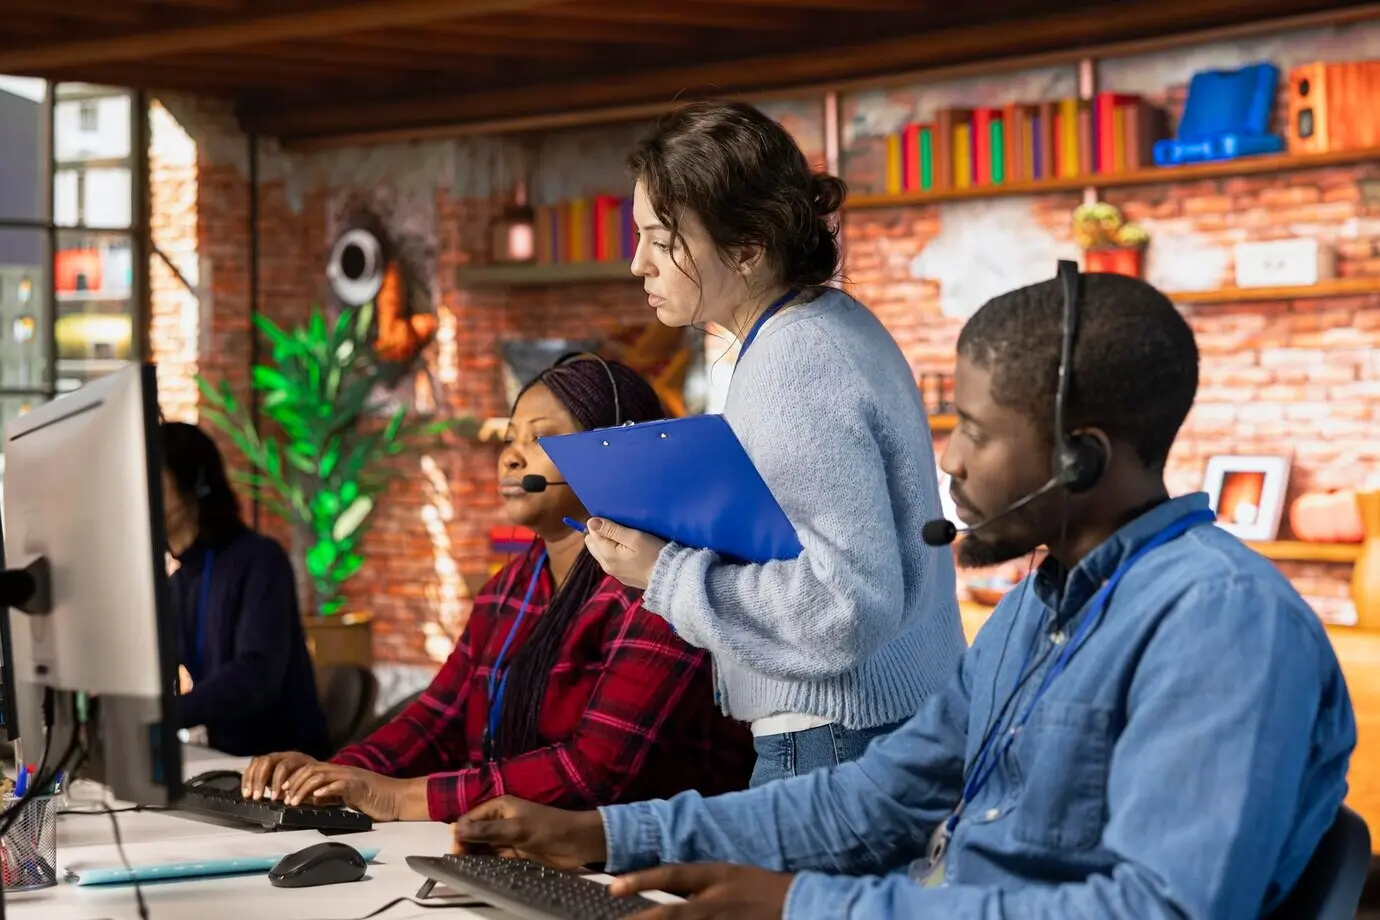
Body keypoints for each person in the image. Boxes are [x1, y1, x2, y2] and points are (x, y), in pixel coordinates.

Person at [450, 272, 1357, 919]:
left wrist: (804, 907)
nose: (949, 463)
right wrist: (603, 836)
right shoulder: (1036, 612)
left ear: (1081, 454)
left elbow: (1159, 906)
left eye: (973, 431)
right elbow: (870, 800)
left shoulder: (1218, 622)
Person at [582, 100, 965, 785]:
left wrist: (662, 573)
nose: (637, 262)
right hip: (878, 730)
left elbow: (842, 609)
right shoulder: (830, 325)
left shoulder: (795, 357)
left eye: (662, 238)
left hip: (833, 744)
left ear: (748, 250)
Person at [242, 355, 754, 822]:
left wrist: (398, 798)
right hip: (517, 851)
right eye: (510, 439)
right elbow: (438, 718)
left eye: (539, 439)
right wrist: (334, 775)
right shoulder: (507, 589)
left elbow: (595, 772)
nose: (511, 458)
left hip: (642, 871)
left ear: (611, 451)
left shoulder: (661, 585)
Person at [162, 421, 329, 759]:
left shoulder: (260, 560)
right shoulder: (178, 584)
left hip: (287, 767)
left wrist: (162, 715)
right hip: (225, 762)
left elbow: (255, 676)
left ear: (195, 484)